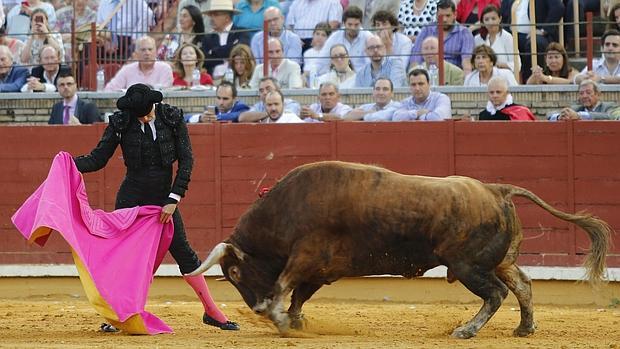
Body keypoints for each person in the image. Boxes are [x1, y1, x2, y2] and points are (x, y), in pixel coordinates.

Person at [73, 83, 240, 332]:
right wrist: (69, 164)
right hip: (131, 200)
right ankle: (122, 315)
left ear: (154, 104)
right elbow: (98, 158)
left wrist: (173, 199)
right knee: (128, 260)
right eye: (140, 115)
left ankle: (212, 311)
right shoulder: (121, 122)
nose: (146, 117)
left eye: (148, 112)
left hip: (164, 198)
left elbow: (186, 160)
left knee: (183, 251)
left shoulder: (171, 117)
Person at [500, 0, 564, 82]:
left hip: (538, 33)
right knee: (503, 40)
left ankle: (531, 83)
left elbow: (558, 8)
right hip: (513, 34)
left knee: (535, 43)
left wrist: (543, 30)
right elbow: (503, 13)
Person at [409, 0, 474, 75]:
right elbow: (415, 57)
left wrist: (467, 83)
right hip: (428, 74)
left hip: (453, 75)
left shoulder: (464, 33)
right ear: (436, 15)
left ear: (455, 14)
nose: (444, 19)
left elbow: (466, 61)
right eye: (441, 16)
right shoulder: (427, 30)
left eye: (448, 15)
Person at [105, 36, 173, 91]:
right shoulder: (127, 69)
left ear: (155, 52)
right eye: (143, 50)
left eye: (150, 49)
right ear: (137, 53)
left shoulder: (165, 68)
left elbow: (165, 93)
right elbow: (109, 89)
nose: (147, 53)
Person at [201, 0, 251, 75]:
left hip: (236, 78)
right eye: (211, 15)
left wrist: (213, 52)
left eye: (215, 15)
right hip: (213, 81)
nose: (211, 18)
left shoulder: (241, 32)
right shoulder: (207, 38)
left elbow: (240, 51)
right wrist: (226, 57)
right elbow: (205, 60)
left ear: (227, 17)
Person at [474, 4, 519, 72]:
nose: (490, 22)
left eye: (493, 18)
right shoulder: (477, 39)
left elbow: (517, 65)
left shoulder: (507, 37)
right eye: (487, 19)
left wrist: (497, 65)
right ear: (482, 22)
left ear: (500, 19)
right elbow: (473, 63)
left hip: (503, 76)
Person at [548, 79, 620, 121]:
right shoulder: (575, 108)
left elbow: (611, 116)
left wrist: (579, 116)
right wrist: (560, 116)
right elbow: (549, 114)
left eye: (588, 92)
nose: (584, 96)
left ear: (597, 94)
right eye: (581, 93)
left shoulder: (610, 106)